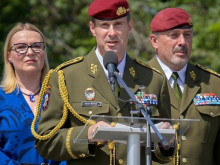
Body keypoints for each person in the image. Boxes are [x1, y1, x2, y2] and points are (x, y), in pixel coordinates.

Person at [34, 0, 173, 164]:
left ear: (129, 26)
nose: (112, 33)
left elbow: (164, 149)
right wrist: (87, 134)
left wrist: (166, 145)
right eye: (104, 25)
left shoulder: (153, 78)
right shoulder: (66, 77)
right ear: (93, 29)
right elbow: (45, 142)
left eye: (118, 24)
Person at [147, 8, 220, 165]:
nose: (182, 42)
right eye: (174, 35)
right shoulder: (138, 80)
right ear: (154, 41)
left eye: (187, 35)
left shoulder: (212, 83)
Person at [0, 23, 60, 165]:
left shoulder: (61, 96)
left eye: (36, 46)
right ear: (9, 56)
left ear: (44, 52)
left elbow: (70, 141)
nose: (30, 52)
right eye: (21, 47)